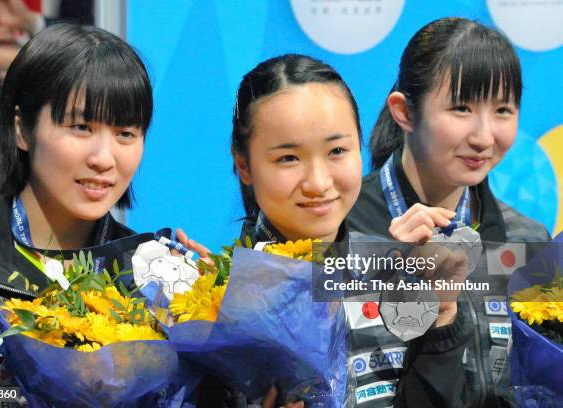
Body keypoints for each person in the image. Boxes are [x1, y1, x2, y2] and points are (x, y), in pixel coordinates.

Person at [230, 54, 473, 408]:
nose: (318, 182)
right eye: (288, 158)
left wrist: (443, 316)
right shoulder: (217, 300)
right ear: (244, 166)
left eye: (337, 151)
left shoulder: (398, 270)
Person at [346, 17, 551, 407]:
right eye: (461, 108)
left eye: (503, 110)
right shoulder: (345, 229)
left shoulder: (529, 240)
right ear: (404, 112)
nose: (483, 137)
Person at [0, 23, 162, 388]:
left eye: (125, 133)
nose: (103, 158)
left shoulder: (155, 278)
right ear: (22, 129)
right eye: (81, 126)